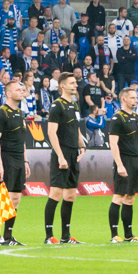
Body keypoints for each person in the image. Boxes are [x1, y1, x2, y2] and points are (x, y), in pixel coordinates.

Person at [42, 72, 83, 245]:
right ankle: (49, 236)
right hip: (62, 153)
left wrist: (81, 145)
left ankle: (66, 236)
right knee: (56, 193)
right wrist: (60, 156)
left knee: (71, 195)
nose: (75, 85)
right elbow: (51, 132)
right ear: (62, 86)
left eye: (76, 82)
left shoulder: (74, 104)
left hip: (74, 153)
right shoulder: (57, 106)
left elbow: (76, 128)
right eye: (72, 83)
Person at [0, 77, 29, 246]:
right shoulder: (1, 113)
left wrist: (25, 161)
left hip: (19, 159)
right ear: (8, 94)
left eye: (22, 89)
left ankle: (8, 236)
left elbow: (22, 139)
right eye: (18, 90)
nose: (22, 92)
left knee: (15, 198)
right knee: (1, 198)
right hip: (6, 159)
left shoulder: (20, 113)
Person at [107, 87, 138, 243]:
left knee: (130, 198)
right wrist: (119, 164)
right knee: (119, 196)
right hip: (124, 160)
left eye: (136, 98)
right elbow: (113, 143)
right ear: (123, 99)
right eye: (132, 98)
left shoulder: (136, 117)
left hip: (136, 161)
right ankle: (114, 235)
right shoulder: (117, 118)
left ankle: (128, 235)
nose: (135, 100)